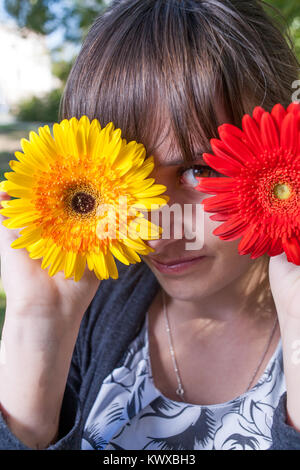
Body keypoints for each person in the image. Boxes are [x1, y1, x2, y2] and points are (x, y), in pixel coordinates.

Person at [0, 0, 300, 450]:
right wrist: (40, 321)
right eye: (119, 186)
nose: (154, 228)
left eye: (201, 170)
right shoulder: (88, 316)